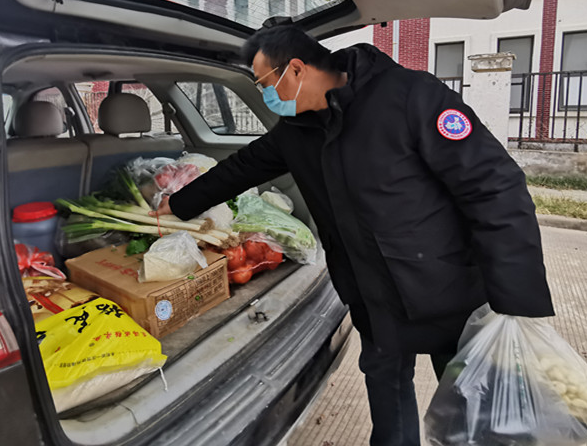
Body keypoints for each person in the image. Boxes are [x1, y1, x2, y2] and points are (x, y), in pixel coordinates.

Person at [153, 25, 555, 446]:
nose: (266, 95)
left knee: (473, 404)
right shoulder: (298, 129)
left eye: (264, 84)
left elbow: (494, 188)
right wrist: (177, 205)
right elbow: (242, 168)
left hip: (445, 288)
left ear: (295, 69)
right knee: (387, 395)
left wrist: (516, 301)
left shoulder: (410, 96)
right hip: (372, 296)